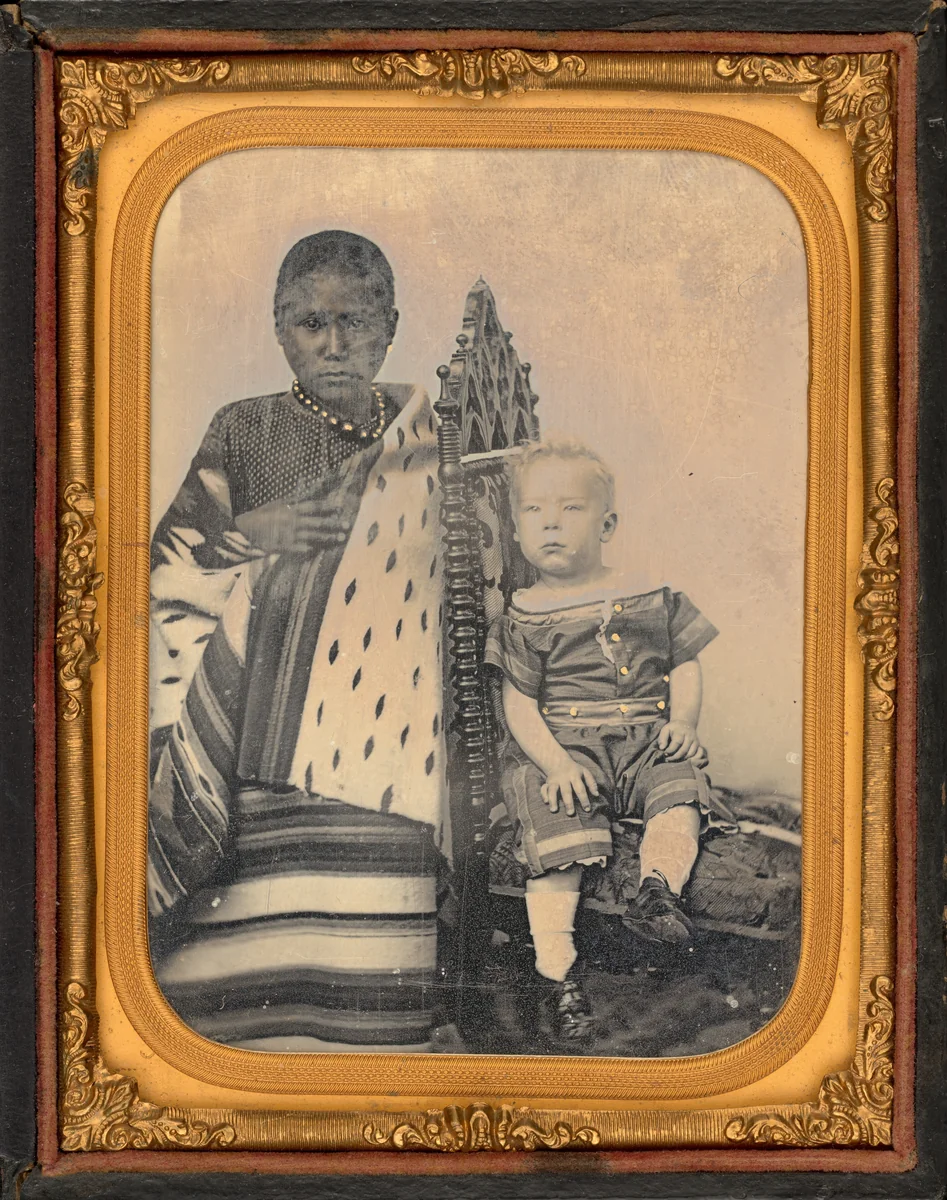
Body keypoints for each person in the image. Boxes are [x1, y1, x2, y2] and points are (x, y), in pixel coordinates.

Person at [148, 231, 448, 1052]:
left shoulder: (433, 432)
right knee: (246, 976)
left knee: (372, 966)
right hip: (261, 717)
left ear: (390, 325)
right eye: (309, 323)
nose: (335, 344)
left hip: (395, 732)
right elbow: (168, 563)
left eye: (355, 321)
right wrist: (251, 529)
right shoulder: (244, 429)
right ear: (279, 330)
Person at [484, 437, 733, 1041]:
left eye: (571, 509)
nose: (551, 524)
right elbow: (516, 703)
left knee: (678, 787)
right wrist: (555, 763)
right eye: (534, 512)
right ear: (516, 529)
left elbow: (684, 662)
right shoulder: (523, 615)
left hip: (645, 733)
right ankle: (556, 972)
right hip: (566, 745)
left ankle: (657, 892)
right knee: (559, 820)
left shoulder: (648, 593)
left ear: (607, 523)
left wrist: (683, 724)